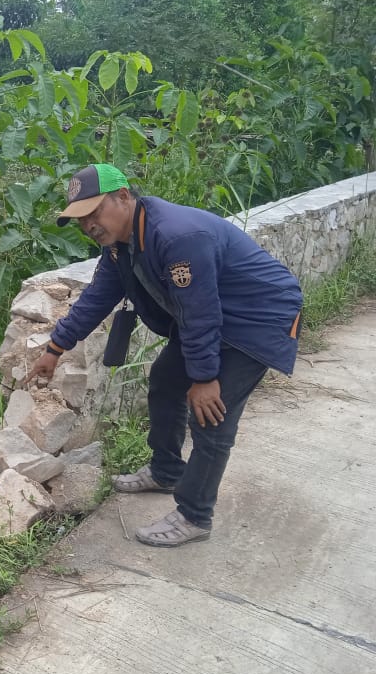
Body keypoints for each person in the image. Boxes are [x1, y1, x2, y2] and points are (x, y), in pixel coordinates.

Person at [27, 163, 303, 548]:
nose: (89, 225)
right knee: (166, 381)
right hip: (215, 318)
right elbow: (96, 298)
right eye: (80, 219)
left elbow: (200, 313)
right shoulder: (119, 246)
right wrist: (55, 349)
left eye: (94, 212)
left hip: (259, 320)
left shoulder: (176, 237)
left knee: (211, 415)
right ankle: (167, 470)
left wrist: (205, 379)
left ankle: (194, 515)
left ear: (123, 196)